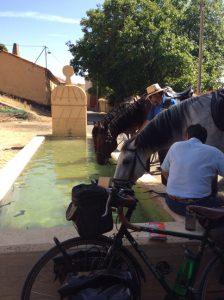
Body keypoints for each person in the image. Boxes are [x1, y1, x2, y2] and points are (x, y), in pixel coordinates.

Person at [161, 124, 224, 216]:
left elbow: (164, 171)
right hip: (199, 206)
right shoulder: (214, 152)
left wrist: (179, 184)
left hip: (172, 203)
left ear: (187, 135)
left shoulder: (175, 146)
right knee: (220, 199)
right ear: (204, 140)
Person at [143, 83, 178, 184]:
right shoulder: (154, 107)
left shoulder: (171, 102)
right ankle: (164, 186)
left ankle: (171, 187)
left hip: (171, 140)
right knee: (163, 164)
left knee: (169, 165)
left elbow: (175, 120)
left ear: (157, 95)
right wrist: (139, 134)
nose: (150, 99)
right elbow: (148, 121)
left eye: (150, 97)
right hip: (160, 140)